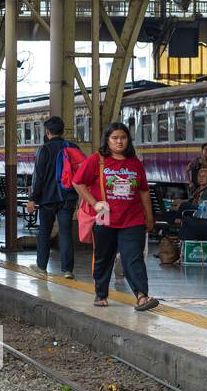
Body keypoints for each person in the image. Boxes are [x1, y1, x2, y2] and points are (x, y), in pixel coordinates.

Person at [73, 121, 157, 312]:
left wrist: (149, 217)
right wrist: (95, 204)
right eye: (115, 138)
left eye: (123, 138)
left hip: (132, 219)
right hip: (105, 219)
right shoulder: (97, 160)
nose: (119, 142)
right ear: (107, 140)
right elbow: (78, 182)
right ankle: (101, 293)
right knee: (104, 257)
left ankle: (142, 296)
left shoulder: (135, 163)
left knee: (133, 258)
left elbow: (143, 192)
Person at [25, 115, 81, 277]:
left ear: (47, 132)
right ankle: (68, 270)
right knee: (65, 233)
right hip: (68, 197)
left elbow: (39, 177)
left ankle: (41, 266)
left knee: (44, 231)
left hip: (47, 199)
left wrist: (32, 199)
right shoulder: (72, 147)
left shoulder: (44, 149)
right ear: (62, 131)